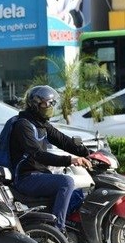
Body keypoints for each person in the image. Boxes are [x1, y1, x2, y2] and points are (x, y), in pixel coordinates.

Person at [9, 85, 91, 234]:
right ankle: (57, 231)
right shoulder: (24, 125)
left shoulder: (41, 124)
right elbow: (38, 155)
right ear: (35, 105)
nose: (50, 107)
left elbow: (63, 141)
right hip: (26, 178)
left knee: (78, 193)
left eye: (52, 104)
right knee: (66, 182)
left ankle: (71, 228)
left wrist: (88, 153)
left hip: (40, 175)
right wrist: (70, 160)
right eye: (46, 104)